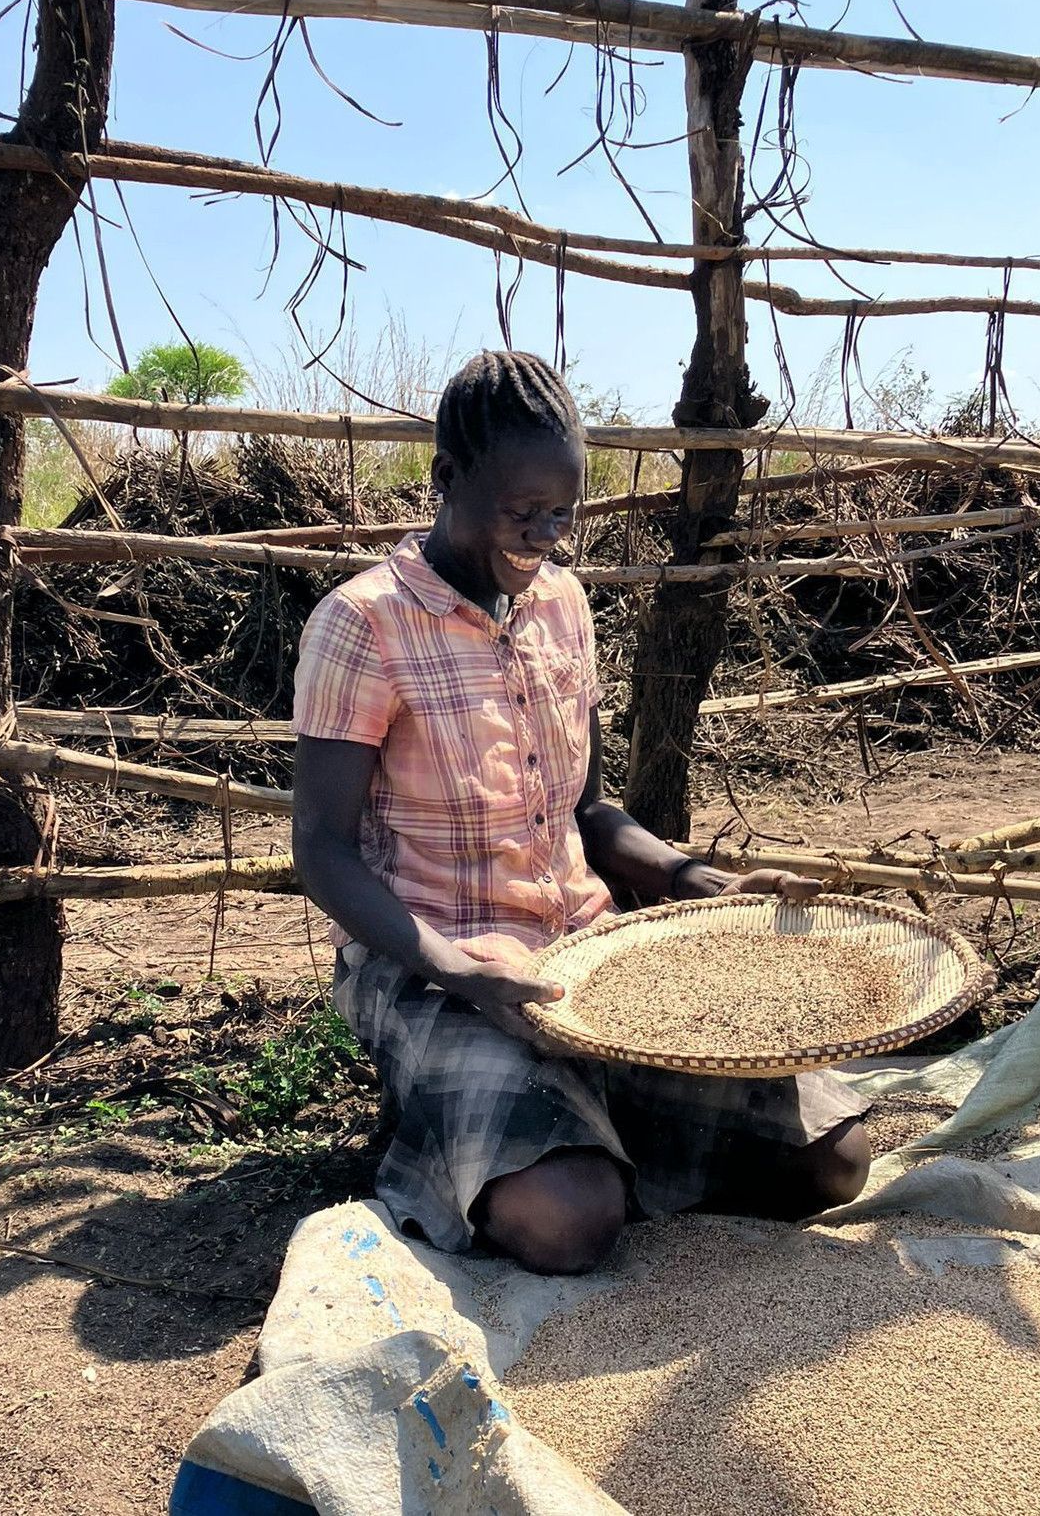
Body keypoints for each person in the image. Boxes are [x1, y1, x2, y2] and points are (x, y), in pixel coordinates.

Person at [291, 350, 869, 1275]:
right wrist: (457, 967)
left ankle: (566, 1122)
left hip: (587, 962)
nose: (547, 538)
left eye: (563, 515)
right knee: (571, 1224)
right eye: (525, 514)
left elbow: (592, 813)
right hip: (438, 964)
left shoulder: (560, 605)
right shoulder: (363, 625)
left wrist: (696, 881)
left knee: (834, 1164)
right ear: (446, 480)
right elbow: (321, 850)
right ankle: (488, 1140)